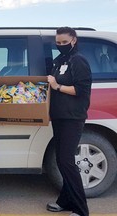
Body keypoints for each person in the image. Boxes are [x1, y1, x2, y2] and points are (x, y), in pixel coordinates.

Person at [46, 27, 92, 216]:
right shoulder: (60, 60)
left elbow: (81, 90)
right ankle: (65, 200)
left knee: (66, 162)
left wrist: (57, 86)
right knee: (62, 160)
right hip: (59, 117)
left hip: (72, 118)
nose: (61, 45)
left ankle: (81, 210)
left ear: (73, 40)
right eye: (58, 42)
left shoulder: (78, 60)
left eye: (64, 42)